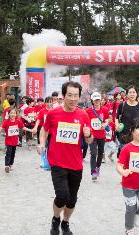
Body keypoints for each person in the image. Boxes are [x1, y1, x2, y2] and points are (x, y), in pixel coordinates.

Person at [38, 81, 93, 235]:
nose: (73, 99)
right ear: (63, 96)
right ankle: (55, 219)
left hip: (75, 163)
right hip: (57, 162)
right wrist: (42, 144)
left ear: (80, 97)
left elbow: (89, 140)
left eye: (76, 95)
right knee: (62, 196)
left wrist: (88, 134)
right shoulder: (53, 113)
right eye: (69, 95)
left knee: (72, 200)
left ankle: (65, 223)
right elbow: (44, 130)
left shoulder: (83, 115)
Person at [115, 86, 139, 156]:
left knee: (135, 157)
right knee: (125, 157)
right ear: (127, 94)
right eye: (130, 92)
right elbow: (117, 118)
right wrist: (117, 125)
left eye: (134, 92)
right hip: (124, 135)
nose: (132, 94)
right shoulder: (122, 105)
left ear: (136, 94)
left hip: (137, 136)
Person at [0, 108, 33, 173]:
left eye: (14, 113)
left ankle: (11, 164)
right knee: (8, 153)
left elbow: (23, 127)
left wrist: (30, 130)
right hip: (8, 141)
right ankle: (7, 165)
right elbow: (1, 127)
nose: (13, 114)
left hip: (15, 141)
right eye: (11, 113)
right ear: (8, 114)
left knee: (13, 153)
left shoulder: (18, 121)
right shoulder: (6, 121)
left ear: (16, 114)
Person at [85, 92, 110, 181]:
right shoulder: (88, 111)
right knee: (93, 153)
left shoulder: (105, 109)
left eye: (98, 99)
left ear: (100, 100)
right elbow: (86, 122)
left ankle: (97, 167)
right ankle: (93, 172)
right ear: (92, 100)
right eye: (95, 100)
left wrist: (105, 123)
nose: (97, 101)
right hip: (92, 135)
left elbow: (107, 119)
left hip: (101, 135)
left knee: (100, 153)